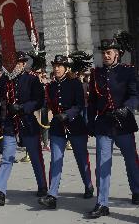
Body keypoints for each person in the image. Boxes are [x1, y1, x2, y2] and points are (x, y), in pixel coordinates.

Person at [86, 33, 139, 218]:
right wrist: (89, 123)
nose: (106, 56)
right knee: (102, 165)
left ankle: (137, 190)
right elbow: (92, 101)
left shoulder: (128, 71)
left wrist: (127, 107)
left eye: (109, 52)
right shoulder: (96, 73)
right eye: (104, 53)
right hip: (103, 124)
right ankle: (102, 203)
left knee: (131, 160)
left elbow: (134, 95)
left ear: (117, 53)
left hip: (123, 123)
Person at [0, 51, 47, 206]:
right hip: (9, 124)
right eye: (13, 63)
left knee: (35, 156)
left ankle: (42, 185)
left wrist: (22, 107)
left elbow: (39, 101)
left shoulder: (32, 79)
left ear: (24, 64)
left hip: (27, 122)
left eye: (19, 63)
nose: (16, 66)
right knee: (7, 157)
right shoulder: (5, 80)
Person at [38, 54, 94, 209]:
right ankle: (52, 195)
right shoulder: (50, 86)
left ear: (66, 68)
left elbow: (80, 105)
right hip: (57, 127)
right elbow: (47, 104)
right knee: (56, 159)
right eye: (55, 66)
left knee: (82, 159)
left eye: (59, 66)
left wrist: (68, 114)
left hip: (75, 126)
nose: (56, 68)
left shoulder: (75, 83)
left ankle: (88, 185)